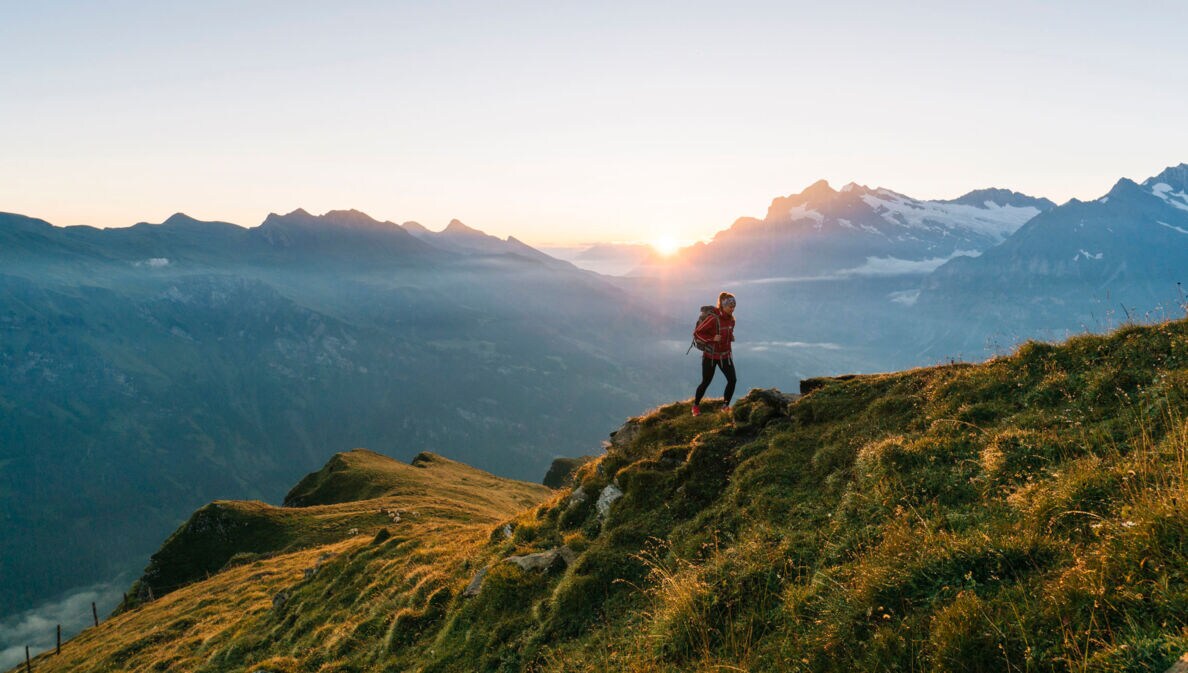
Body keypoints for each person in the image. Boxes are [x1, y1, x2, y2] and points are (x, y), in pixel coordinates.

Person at [692, 292, 736, 416]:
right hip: (710, 357)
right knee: (706, 381)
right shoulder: (713, 319)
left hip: (725, 356)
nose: (732, 309)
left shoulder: (731, 320)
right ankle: (695, 406)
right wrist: (712, 338)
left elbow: (727, 332)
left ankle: (725, 406)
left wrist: (730, 336)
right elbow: (697, 333)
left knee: (732, 380)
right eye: (730, 307)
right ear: (723, 306)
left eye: (733, 307)